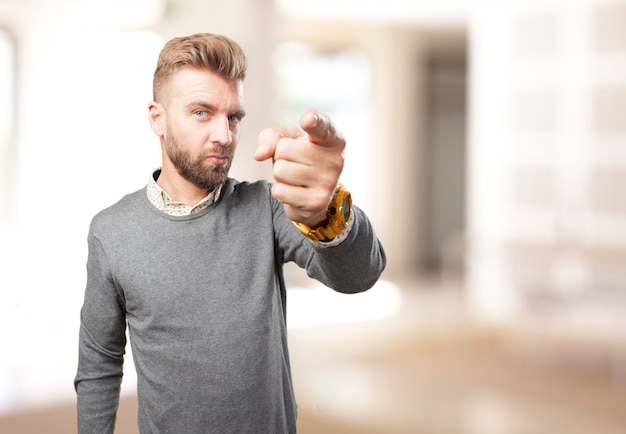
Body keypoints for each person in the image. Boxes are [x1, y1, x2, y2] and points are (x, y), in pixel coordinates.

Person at [74, 32, 386, 434]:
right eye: (202, 112)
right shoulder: (112, 231)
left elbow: (360, 276)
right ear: (158, 118)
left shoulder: (269, 208)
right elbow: (99, 363)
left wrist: (326, 211)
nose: (224, 135)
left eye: (233, 116)